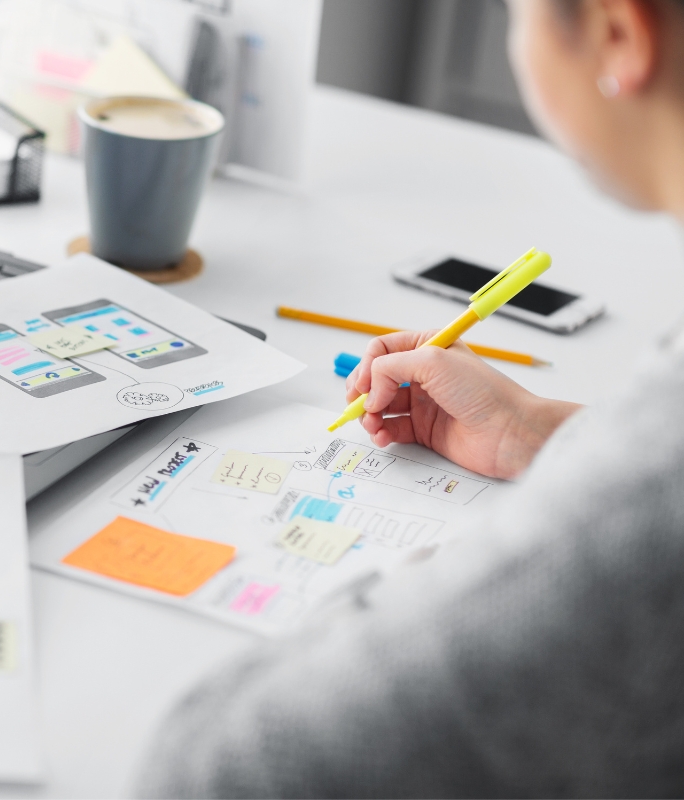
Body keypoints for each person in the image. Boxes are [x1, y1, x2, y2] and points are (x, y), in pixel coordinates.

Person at [137, 0, 684, 795]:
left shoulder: (648, 506)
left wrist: (409, 596)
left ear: (616, 34)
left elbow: (220, 770)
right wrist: (537, 431)